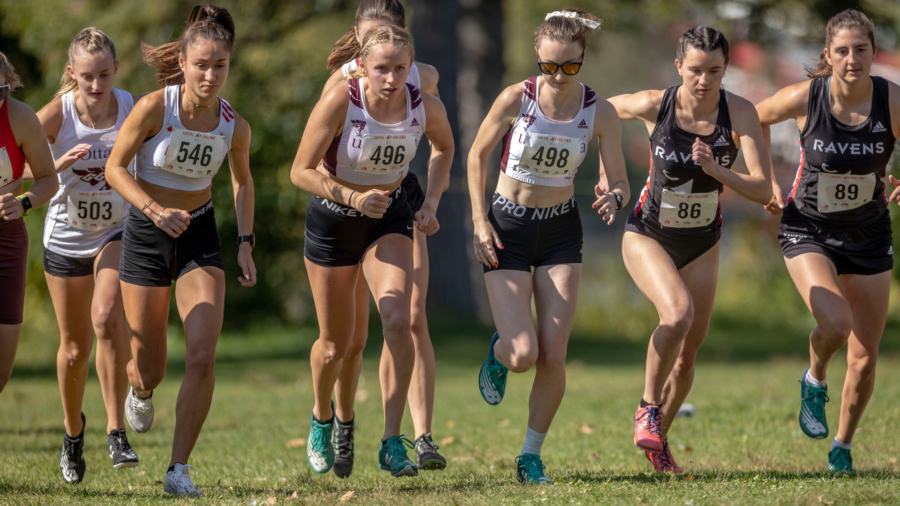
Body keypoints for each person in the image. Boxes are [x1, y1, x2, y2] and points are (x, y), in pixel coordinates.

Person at [469, 9, 629, 484]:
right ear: (537, 57)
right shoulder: (516, 99)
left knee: (553, 355)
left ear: (583, 58)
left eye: (571, 67)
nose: (559, 76)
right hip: (508, 227)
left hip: (560, 230)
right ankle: (500, 350)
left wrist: (615, 195)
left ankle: (530, 455)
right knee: (523, 355)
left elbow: (617, 176)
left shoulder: (599, 111)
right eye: (550, 66)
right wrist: (479, 221)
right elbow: (478, 154)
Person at [105, 4, 256, 496]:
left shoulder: (234, 124)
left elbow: (242, 181)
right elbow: (115, 168)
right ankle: (140, 388)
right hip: (148, 236)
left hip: (199, 236)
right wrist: (152, 209)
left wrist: (246, 243)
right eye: (201, 65)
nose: (211, 75)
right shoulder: (155, 107)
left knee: (202, 354)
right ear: (184, 64)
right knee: (150, 363)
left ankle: (178, 469)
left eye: (220, 66)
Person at [290, 24, 454, 478]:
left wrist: (433, 201)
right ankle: (323, 417)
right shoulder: (343, 99)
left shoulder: (424, 106)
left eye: (400, 69)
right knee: (335, 346)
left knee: (399, 320)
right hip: (333, 219)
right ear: (362, 65)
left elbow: (445, 148)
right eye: (381, 68)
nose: (391, 79)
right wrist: (352, 197)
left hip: (389, 219)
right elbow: (299, 171)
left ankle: (391, 440)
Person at [609, 26, 771, 472]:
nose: (704, 80)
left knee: (688, 355)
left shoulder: (738, 112)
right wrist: (610, 172)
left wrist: (719, 171)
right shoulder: (654, 104)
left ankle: (658, 442)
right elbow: (598, 114)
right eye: (696, 70)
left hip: (703, 242)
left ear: (726, 69)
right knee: (677, 315)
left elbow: (763, 189)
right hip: (648, 234)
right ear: (679, 66)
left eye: (715, 71)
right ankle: (647, 407)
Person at [756, 9, 899, 473]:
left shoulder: (890, 100)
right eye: (842, 51)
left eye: (861, 50)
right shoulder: (807, 97)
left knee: (864, 359)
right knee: (835, 325)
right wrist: (766, 182)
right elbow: (751, 119)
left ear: (874, 54)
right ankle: (814, 378)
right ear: (828, 55)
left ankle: (842, 446)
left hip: (870, 234)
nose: (852, 59)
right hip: (809, 228)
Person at [31, 27, 142, 484]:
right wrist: (55, 164)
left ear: (116, 70)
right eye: (86, 78)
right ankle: (73, 432)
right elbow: (20, 169)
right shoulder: (57, 115)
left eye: (103, 76)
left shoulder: (132, 107)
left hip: (115, 232)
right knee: (75, 348)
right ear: (72, 75)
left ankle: (116, 429)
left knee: (106, 316)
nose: (96, 86)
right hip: (65, 240)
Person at [0, 52, 59, 394]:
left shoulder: (21, 118)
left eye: (1, 92)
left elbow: (48, 180)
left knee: (2, 370)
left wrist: (24, 203)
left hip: (7, 239)